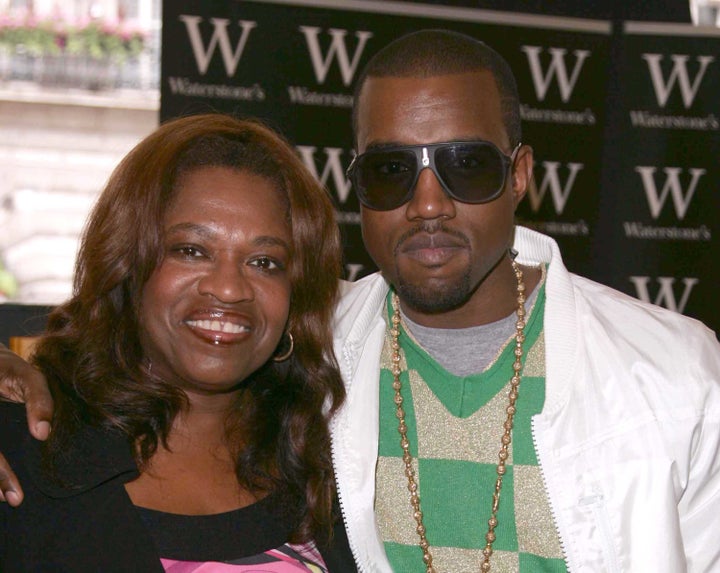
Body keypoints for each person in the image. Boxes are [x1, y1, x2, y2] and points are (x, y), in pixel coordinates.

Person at [2, 29, 720, 573]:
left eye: (467, 165)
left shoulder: (672, 375)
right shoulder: (318, 360)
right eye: (390, 170)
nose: (428, 203)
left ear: (522, 173)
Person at [0, 113, 356, 571]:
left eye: (265, 262)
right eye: (191, 250)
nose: (229, 289)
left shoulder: (330, 465)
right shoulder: (22, 448)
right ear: (127, 265)